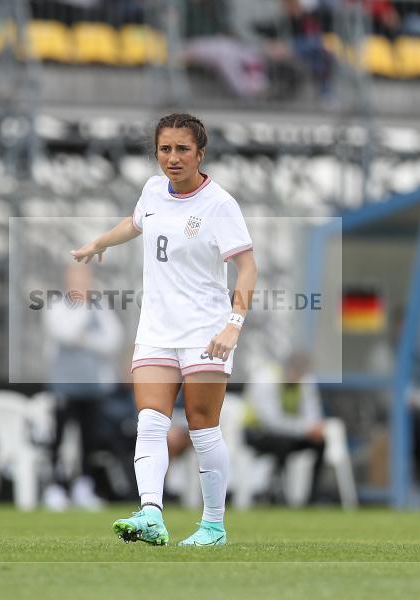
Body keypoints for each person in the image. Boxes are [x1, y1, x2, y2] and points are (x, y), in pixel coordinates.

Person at [71, 113, 257, 546]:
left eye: (182, 149)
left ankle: (213, 525)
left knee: (201, 427)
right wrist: (100, 241)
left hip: (206, 332)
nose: (172, 158)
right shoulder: (153, 190)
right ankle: (151, 513)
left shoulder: (220, 205)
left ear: (201, 153)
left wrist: (233, 325)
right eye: (165, 149)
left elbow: (247, 268)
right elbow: (135, 224)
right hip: (156, 330)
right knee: (151, 422)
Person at [42, 263, 124, 511]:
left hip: (93, 387)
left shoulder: (100, 307)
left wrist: (85, 340)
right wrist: (85, 328)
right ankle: (56, 486)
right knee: (60, 438)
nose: (81, 283)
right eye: (76, 278)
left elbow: (113, 340)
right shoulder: (57, 306)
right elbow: (65, 332)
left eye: (84, 278)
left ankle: (84, 486)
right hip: (65, 387)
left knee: (91, 440)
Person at [244, 352, 327, 505]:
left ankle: (312, 497)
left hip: (289, 433)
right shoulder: (267, 378)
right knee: (282, 443)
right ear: (287, 368)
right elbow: (271, 420)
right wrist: (306, 428)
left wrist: (313, 429)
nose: (299, 378)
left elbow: (312, 413)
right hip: (256, 432)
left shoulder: (305, 380)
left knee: (320, 443)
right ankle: (277, 494)